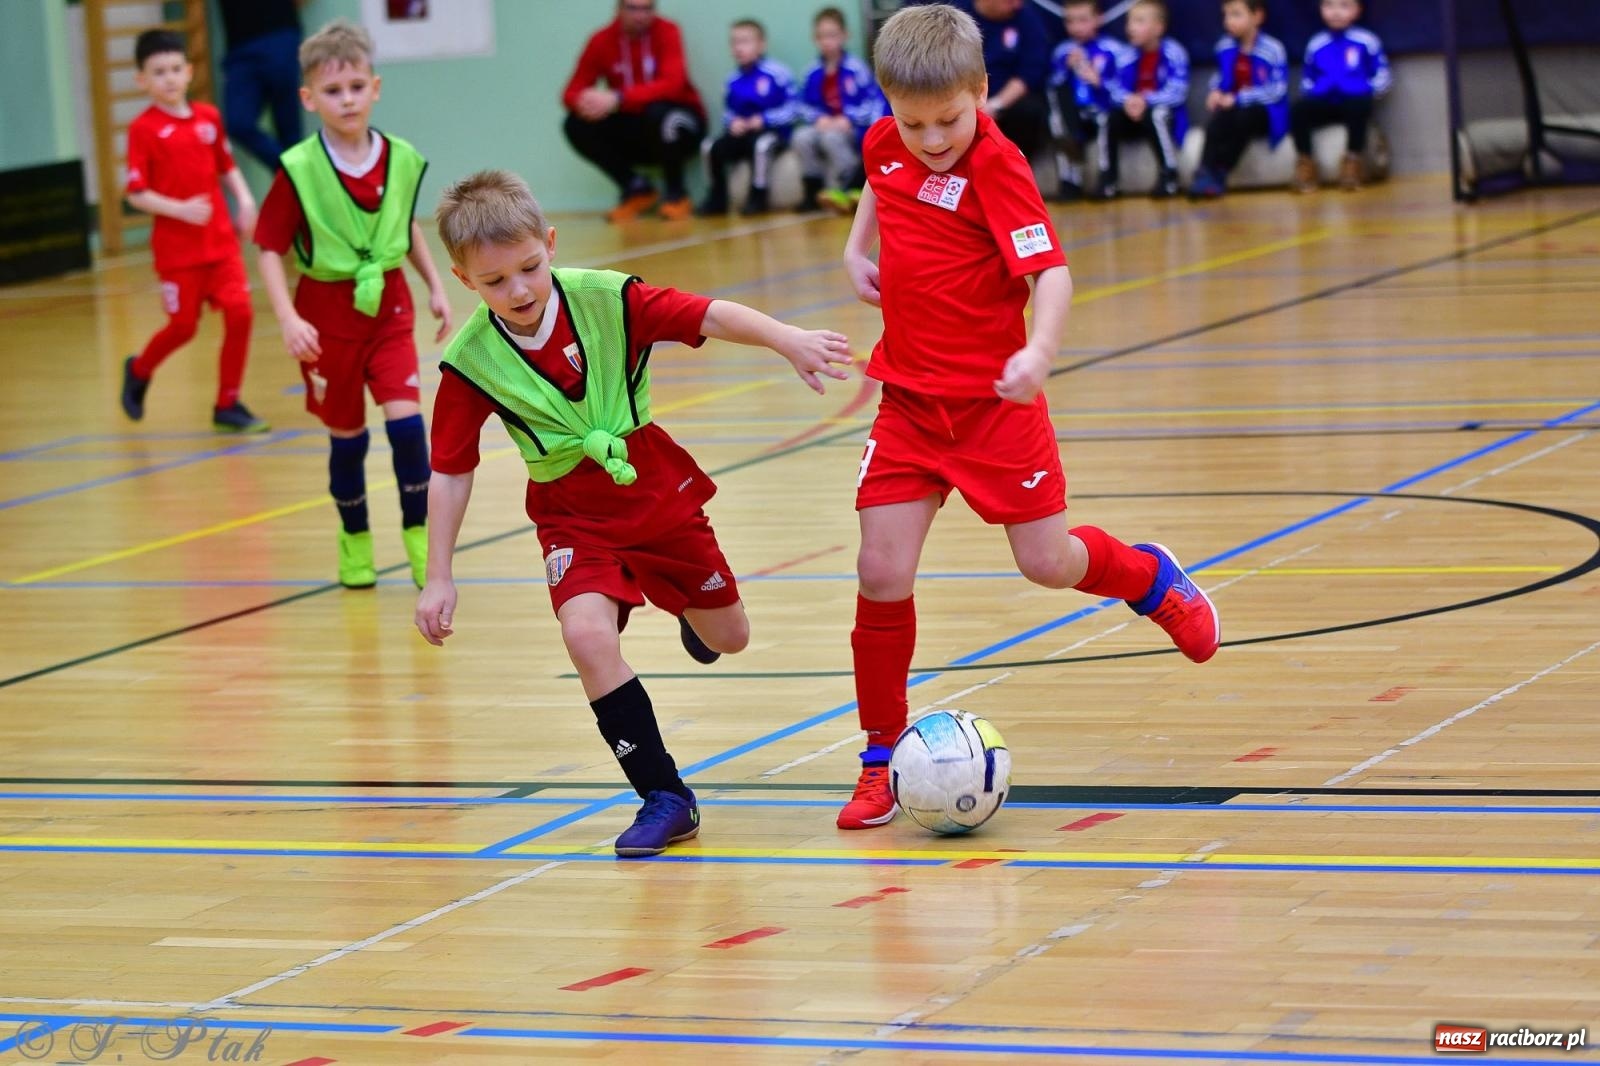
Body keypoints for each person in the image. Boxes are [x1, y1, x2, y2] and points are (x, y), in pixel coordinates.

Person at [836, 4, 1221, 830]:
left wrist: (1039, 352)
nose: (931, 139)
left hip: (995, 406)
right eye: (913, 122)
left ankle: (1149, 577)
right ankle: (877, 756)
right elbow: (880, 174)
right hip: (910, 402)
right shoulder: (885, 140)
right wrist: (856, 248)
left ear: (981, 91)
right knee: (880, 570)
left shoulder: (997, 164)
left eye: (948, 120)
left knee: (1046, 562)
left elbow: (1052, 274)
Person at [416, 170, 852, 856]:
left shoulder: (609, 299)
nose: (519, 291)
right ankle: (665, 795)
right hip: (570, 514)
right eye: (495, 281)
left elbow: (709, 315)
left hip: (654, 492)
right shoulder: (470, 361)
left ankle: (688, 611)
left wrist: (786, 338)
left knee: (731, 636)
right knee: (586, 637)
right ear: (464, 279)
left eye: (529, 268)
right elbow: (449, 470)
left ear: (550, 244)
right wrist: (438, 574)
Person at [254, 20, 452, 590]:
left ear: (375, 88)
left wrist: (435, 285)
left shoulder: (401, 158)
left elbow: (404, 227)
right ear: (308, 98)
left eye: (356, 87)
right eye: (333, 90)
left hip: (389, 309)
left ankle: (418, 536)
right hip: (325, 317)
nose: (347, 100)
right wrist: (288, 318)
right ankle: (355, 538)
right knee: (347, 439)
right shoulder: (299, 169)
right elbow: (268, 249)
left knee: (408, 428)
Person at [120, 29, 267, 434]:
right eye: (158, 72)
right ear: (142, 80)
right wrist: (180, 209)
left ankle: (228, 403)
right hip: (177, 252)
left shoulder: (208, 118)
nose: (168, 78)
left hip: (220, 243)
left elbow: (226, 166)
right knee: (183, 326)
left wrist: (246, 201)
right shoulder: (143, 130)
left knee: (241, 313)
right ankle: (139, 369)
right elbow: (136, 193)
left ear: (188, 71)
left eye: (174, 69)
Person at [562, 0, 708, 222]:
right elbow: (570, 93)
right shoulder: (601, 40)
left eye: (647, 8)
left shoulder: (668, 31)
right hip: (639, 129)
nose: (640, 15)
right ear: (618, 9)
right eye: (633, 8)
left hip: (683, 123)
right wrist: (589, 101)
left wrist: (619, 97)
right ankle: (636, 188)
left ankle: (677, 194)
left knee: (659, 114)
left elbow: (673, 85)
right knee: (575, 123)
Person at [1188, 0, 1289, 200]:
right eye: (1226, 15)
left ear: (1257, 16)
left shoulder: (1273, 49)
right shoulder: (1224, 46)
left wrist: (1239, 98)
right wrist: (1216, 92)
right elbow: (1220, 77)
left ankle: (1221, 171)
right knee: (1217, 122)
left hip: (1264, 112)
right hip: (1232, 107)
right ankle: (1204, 172)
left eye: (1236, 14)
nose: (1229, 21)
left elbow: (1277, 90)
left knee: (1245, 117)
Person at [698, 19, 799, 217]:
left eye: (745, 41)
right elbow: (728, 112)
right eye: (734, 42)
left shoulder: (777, 73)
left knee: (761, 145)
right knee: (709, 146)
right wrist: (733, 122)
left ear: (761, 45)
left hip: (773, 132)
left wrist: (765, 119)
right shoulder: (732, 80)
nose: (738, 48)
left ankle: (758, 195)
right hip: (744, 133)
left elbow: (794, 108)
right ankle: (717, 197)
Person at [792, 7, 886, 214]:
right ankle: (812, 190)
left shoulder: (856, 68)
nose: (827, 41)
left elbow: (872, 103)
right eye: (822, 36)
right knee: (801, 137)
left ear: (844, 35)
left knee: (832, 138)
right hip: (824, 123)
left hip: (850, 127)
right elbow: (802, 106)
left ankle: (846, 186)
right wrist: (817, 118)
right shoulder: (812, 72)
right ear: (815, 39)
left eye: (832, 35)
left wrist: (848, 119)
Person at [1291, 0, 1390, 193]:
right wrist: (1317, 90)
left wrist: (1367, 89)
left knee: (1359, 105)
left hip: (1354, 101)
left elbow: (1383, 75)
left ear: (1357, 10)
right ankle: (1306, 163)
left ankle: (1353, 162)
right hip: (1325, 101)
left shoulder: (1366, 40)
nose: (1336, 12)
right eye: (1329, 5)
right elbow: (1307, 80)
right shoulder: (1316, 43)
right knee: (1299, 110)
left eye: (1344, 6)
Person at [1100, 0, 1189, 200]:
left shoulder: (1174, 52)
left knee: (1157, 114)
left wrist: (1145, 100)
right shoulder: (1125, 55)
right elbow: (1114, 88)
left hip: (1164, 113)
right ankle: (1108, 179)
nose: (1131, 27)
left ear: (1158, 27)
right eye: (1129, 22)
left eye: (1139, 21)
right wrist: (1129, 100)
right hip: (1132, 111)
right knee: (1108, 118)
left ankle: (1169, 174)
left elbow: (1177, 91)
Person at [1046, 0, 1127, 201]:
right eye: (1070, 21)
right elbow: (1051, 87)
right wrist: (1065, 68)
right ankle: (1070, 181)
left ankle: (1107, 181)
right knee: (1056, 121)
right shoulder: (1062, 51)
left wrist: (1099, 82)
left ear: (1098, 19)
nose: (1076, 27)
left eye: (1083, 20)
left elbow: (1124, 88)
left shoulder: (1113, 49)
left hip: (1103, 110)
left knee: (1106, 119)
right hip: (1073, 114)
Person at [216, 0, 304, 171]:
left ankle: (294, 178)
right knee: (238, 123)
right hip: (239, 46)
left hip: (280, 34)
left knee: (288, 129)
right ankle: (291, 172)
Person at [964, 0, 1053, 157]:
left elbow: (1030, 71)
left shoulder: (1026, 17)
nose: (1016, 5)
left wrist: (996, 105)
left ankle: (1019, 161)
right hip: (965, 95)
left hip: (1006, 99)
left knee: (1030, 111)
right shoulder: (958, 15)